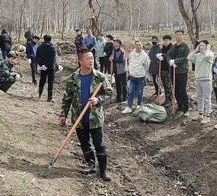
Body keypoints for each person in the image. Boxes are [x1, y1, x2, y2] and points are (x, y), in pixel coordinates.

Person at [60, 49, 113, 181]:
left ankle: (103, 170)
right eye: (88, 58)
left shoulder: (99, 77)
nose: (91, 61)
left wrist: (98, 100)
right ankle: (90, 164)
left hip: (95, 117)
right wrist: (63, 114)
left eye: (92, 58)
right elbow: (67, 98)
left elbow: (109, 93)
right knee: (84, 144)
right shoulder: (73, 78)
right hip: (79, 117)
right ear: (80, 61)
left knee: (99, 144)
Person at [187, 40, 214, 123]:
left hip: (206, 79)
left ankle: (207, 116)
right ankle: (200, 114)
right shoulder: (197, 55)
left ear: (207, 46)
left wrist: (207, 50)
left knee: (207, 98)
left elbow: (207, 56)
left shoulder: (210, 54)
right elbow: (189, 58)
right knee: (200, 97)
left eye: (202, 45)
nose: (200, 46)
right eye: (199, 45)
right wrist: (195, 50)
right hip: (198, 79)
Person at [166, 29, 190, 116]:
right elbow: (168, 55)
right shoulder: (173, 46)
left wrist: (175, 61)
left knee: (182, 90)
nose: (178, 36)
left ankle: (186, 108)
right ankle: (180, 106)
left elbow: (186, 57)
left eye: (180, 35)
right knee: (175, 90)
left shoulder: (185, 46)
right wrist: (170, 61)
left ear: (183, 36)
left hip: (182, 71)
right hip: (173, 70)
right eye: (177, 35)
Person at [122, 40, 150, 114]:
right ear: (135, 46)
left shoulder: (144, 55)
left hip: (141, 76)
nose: (138, 46)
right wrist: (129, 72)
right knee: (130, 92)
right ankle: (129, 107)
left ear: (142, 46)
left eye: (140, 45)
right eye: (137, 45)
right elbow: (130, 63)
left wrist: (142, 71)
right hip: (133, 76)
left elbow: (147, 65)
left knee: (140, 92)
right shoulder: (132, 54)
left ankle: (139, 105)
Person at [36, 34, 57, 102]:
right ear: (50, 40)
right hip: (51, 67)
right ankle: (49, 98)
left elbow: (37, 58)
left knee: (42, 81)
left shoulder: (39, 47)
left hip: (43, 67)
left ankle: (39, 95)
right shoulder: (53, 47)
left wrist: (42, 65)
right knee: (50, 82)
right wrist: (56, 66)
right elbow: (54, 59)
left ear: (44, 39)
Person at [156, 35, 173, 107]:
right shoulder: (161, 49)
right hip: (162, 69)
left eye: (167, 40)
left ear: (170, 41)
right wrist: (158, 58)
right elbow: (157, 56)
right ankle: (167, 99)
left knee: (168, 85)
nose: (165, 42)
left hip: (168, 70)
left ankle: (170, 100)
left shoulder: (172, 48)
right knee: (164, 85)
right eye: (164, 40)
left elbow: (171, 57)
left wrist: (164, 56)